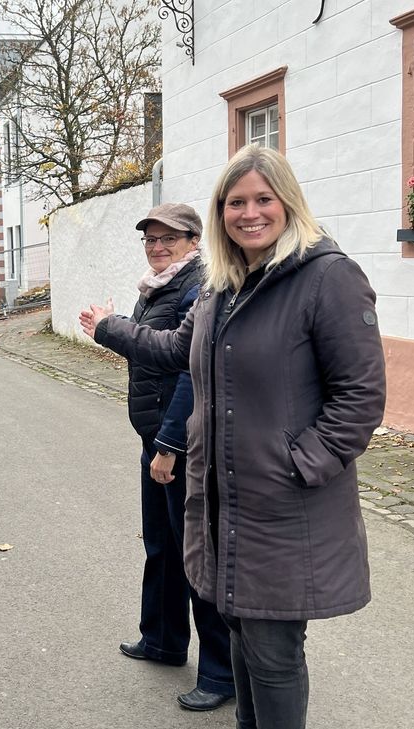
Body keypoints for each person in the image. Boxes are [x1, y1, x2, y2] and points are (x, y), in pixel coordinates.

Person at [80, 144, 386, 729]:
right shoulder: (223, 286)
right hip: (222, 504)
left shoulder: (328, 278)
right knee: (243, 639)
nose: (249, 213)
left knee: (272, 655)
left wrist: (299, 464)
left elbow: (361, 398)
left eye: (262, 199)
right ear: (221, 212)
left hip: (283, 504)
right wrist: (110, 329)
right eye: (235, 202)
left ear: (288, 203)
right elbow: (176, 350)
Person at [86, 203, 234, 711]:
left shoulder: (200, 285)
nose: (157, 246)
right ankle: (164, 640)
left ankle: (220, 673)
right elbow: (153, 349)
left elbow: (190, 372)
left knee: (197, 557)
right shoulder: (160, 286)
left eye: (168, 238)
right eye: (150, 238)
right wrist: (115, 325)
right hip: (155, 438)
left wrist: (171, 444)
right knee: (162, 547)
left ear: (194, 239)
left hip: (180, 445)